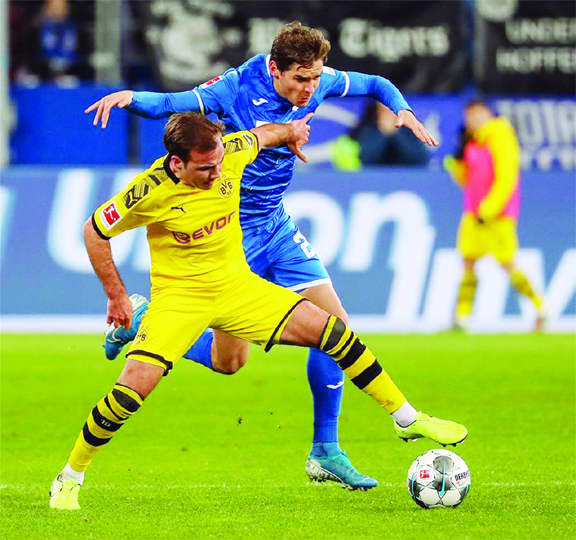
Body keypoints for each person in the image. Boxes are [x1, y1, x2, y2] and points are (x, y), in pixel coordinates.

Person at [85, 21, 439, 490]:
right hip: (232, 237)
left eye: (316, 79)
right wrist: (131, 98)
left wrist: (402, 109)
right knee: (230, 363)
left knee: (338, 330)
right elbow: (175, 105)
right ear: (275, 69)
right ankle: (140, 321)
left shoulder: (318, 80)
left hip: (276, 224)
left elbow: (376, 84)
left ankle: (325, 450)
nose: (310, 89)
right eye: (300, 80)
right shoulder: (234, 87)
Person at [49, 112, 466, 510]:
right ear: (176, 163)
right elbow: (93, 230)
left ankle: (406, 418)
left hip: (238, 287)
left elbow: (264, 135)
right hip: (181, 300)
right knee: (130, 392)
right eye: (204, 169)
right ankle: (70, 477)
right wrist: (117, 296)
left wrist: (292, 132)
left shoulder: (229, 150)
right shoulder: (148, 191)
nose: (216, 174)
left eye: (217, 164)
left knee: (333, 332)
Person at [444, 100, 545, 330]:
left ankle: (541, 308)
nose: (473, 120)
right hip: (473, 212)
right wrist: (458, 160)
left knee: (507, 263)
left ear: (488, 113)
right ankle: (462, 318)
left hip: (497, 214)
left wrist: (489, 209)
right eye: (469, 116)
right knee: (468, 261)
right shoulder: (473, 142)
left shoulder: (502, 135)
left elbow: (507, 178)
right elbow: (465, 181)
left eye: (477, 114)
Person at [332, 102, 430, 171]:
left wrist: (395, 134)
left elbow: (419, 159)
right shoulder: (368, 129)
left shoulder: (412, 129)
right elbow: (366, 159)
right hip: (375, 180)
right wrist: (383, 134)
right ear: (377, 112)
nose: (389, 115)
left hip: (407, 179)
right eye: (384, 111)